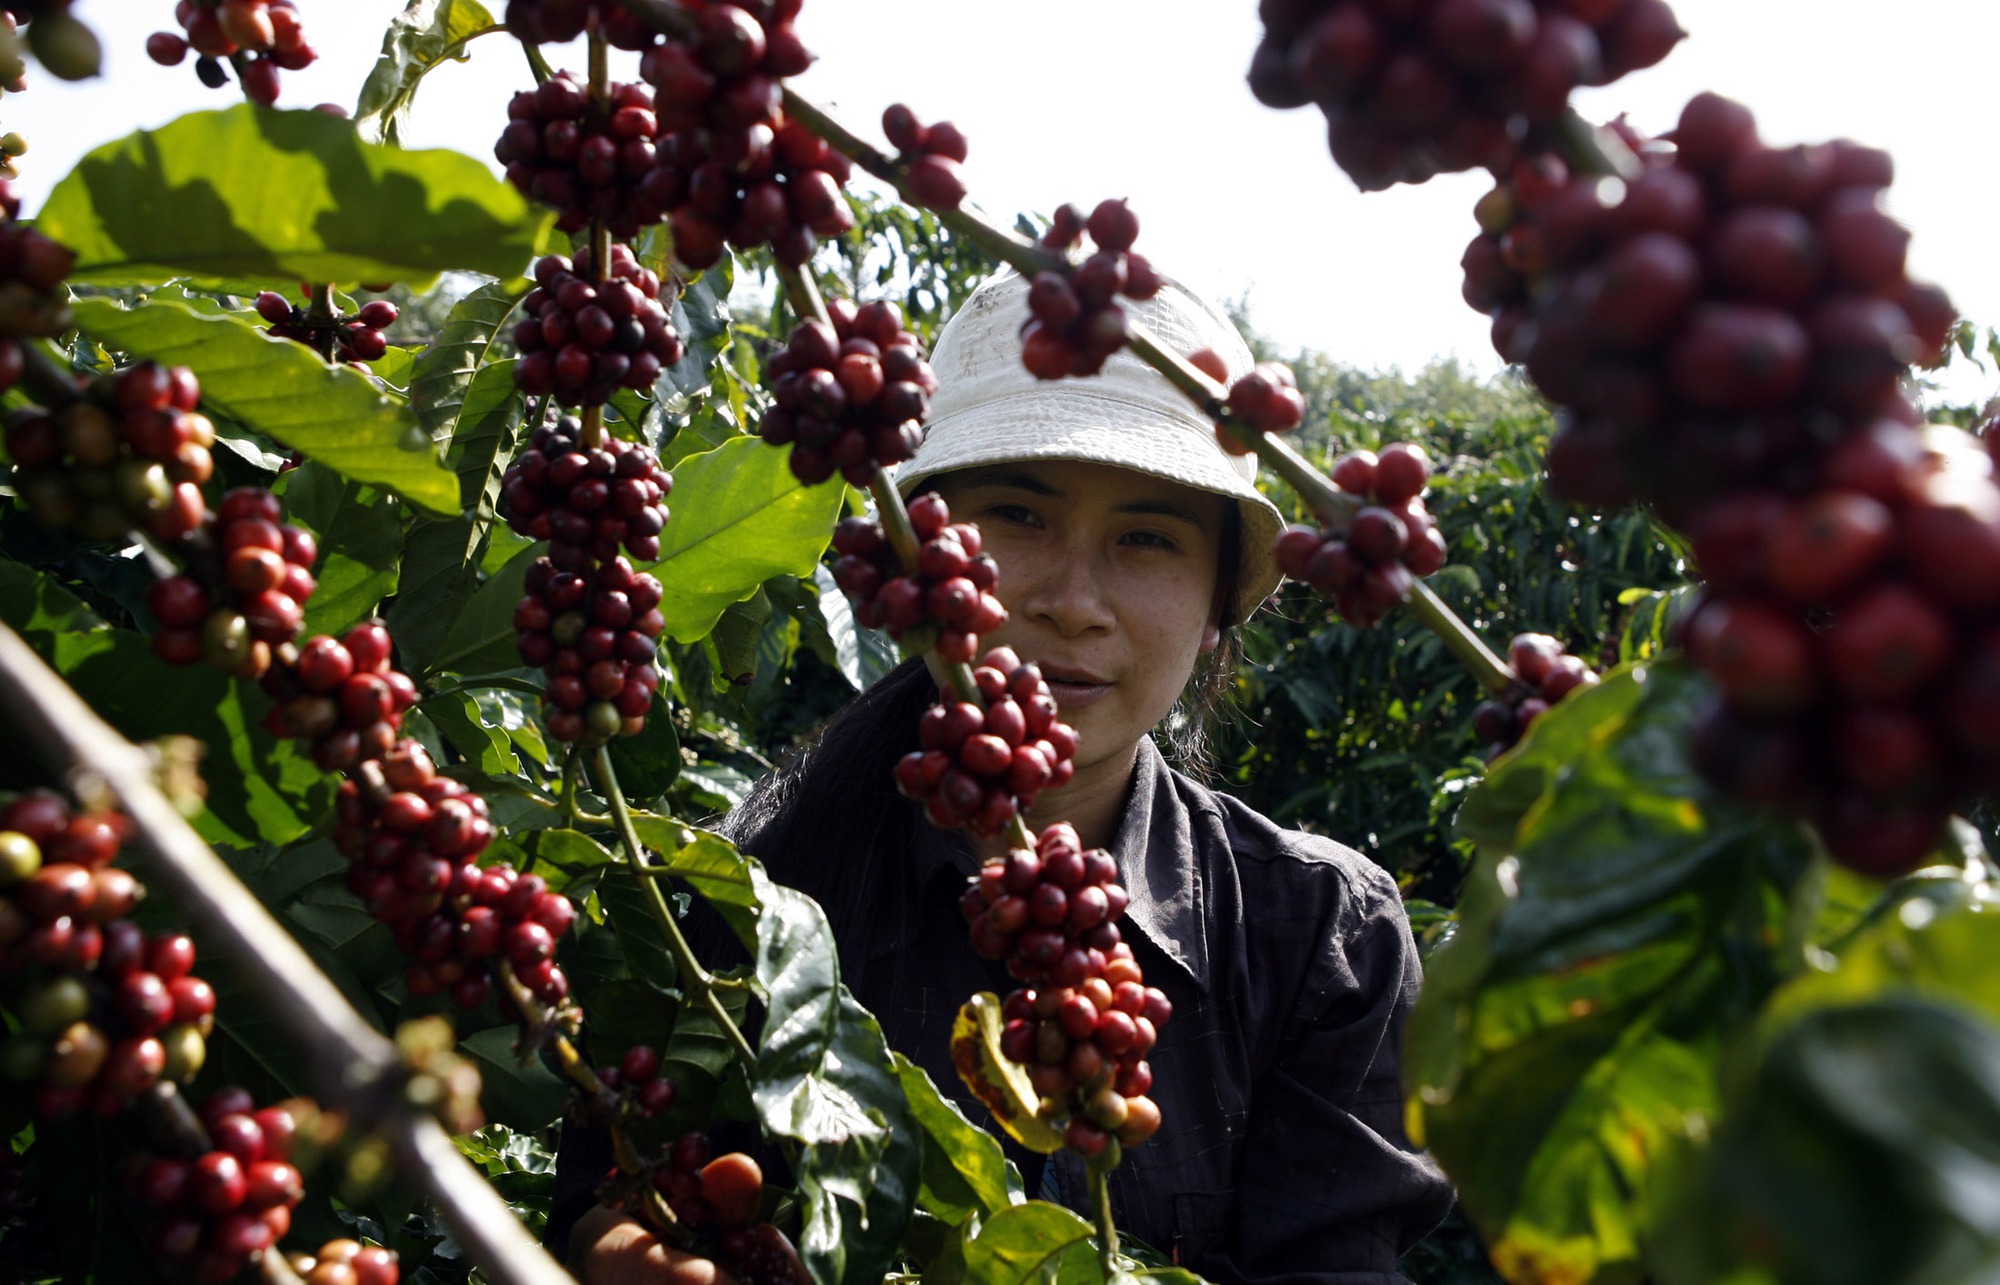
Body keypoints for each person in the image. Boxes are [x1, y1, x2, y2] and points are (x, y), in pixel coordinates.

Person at [555, 271, 1454, 1283]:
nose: (1074, 602)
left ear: (1214, 611)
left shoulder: (1322, 934)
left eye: (1147, 537)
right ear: (912, 553)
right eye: (1018, 516)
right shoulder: (735, 891)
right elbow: (610, 1185)